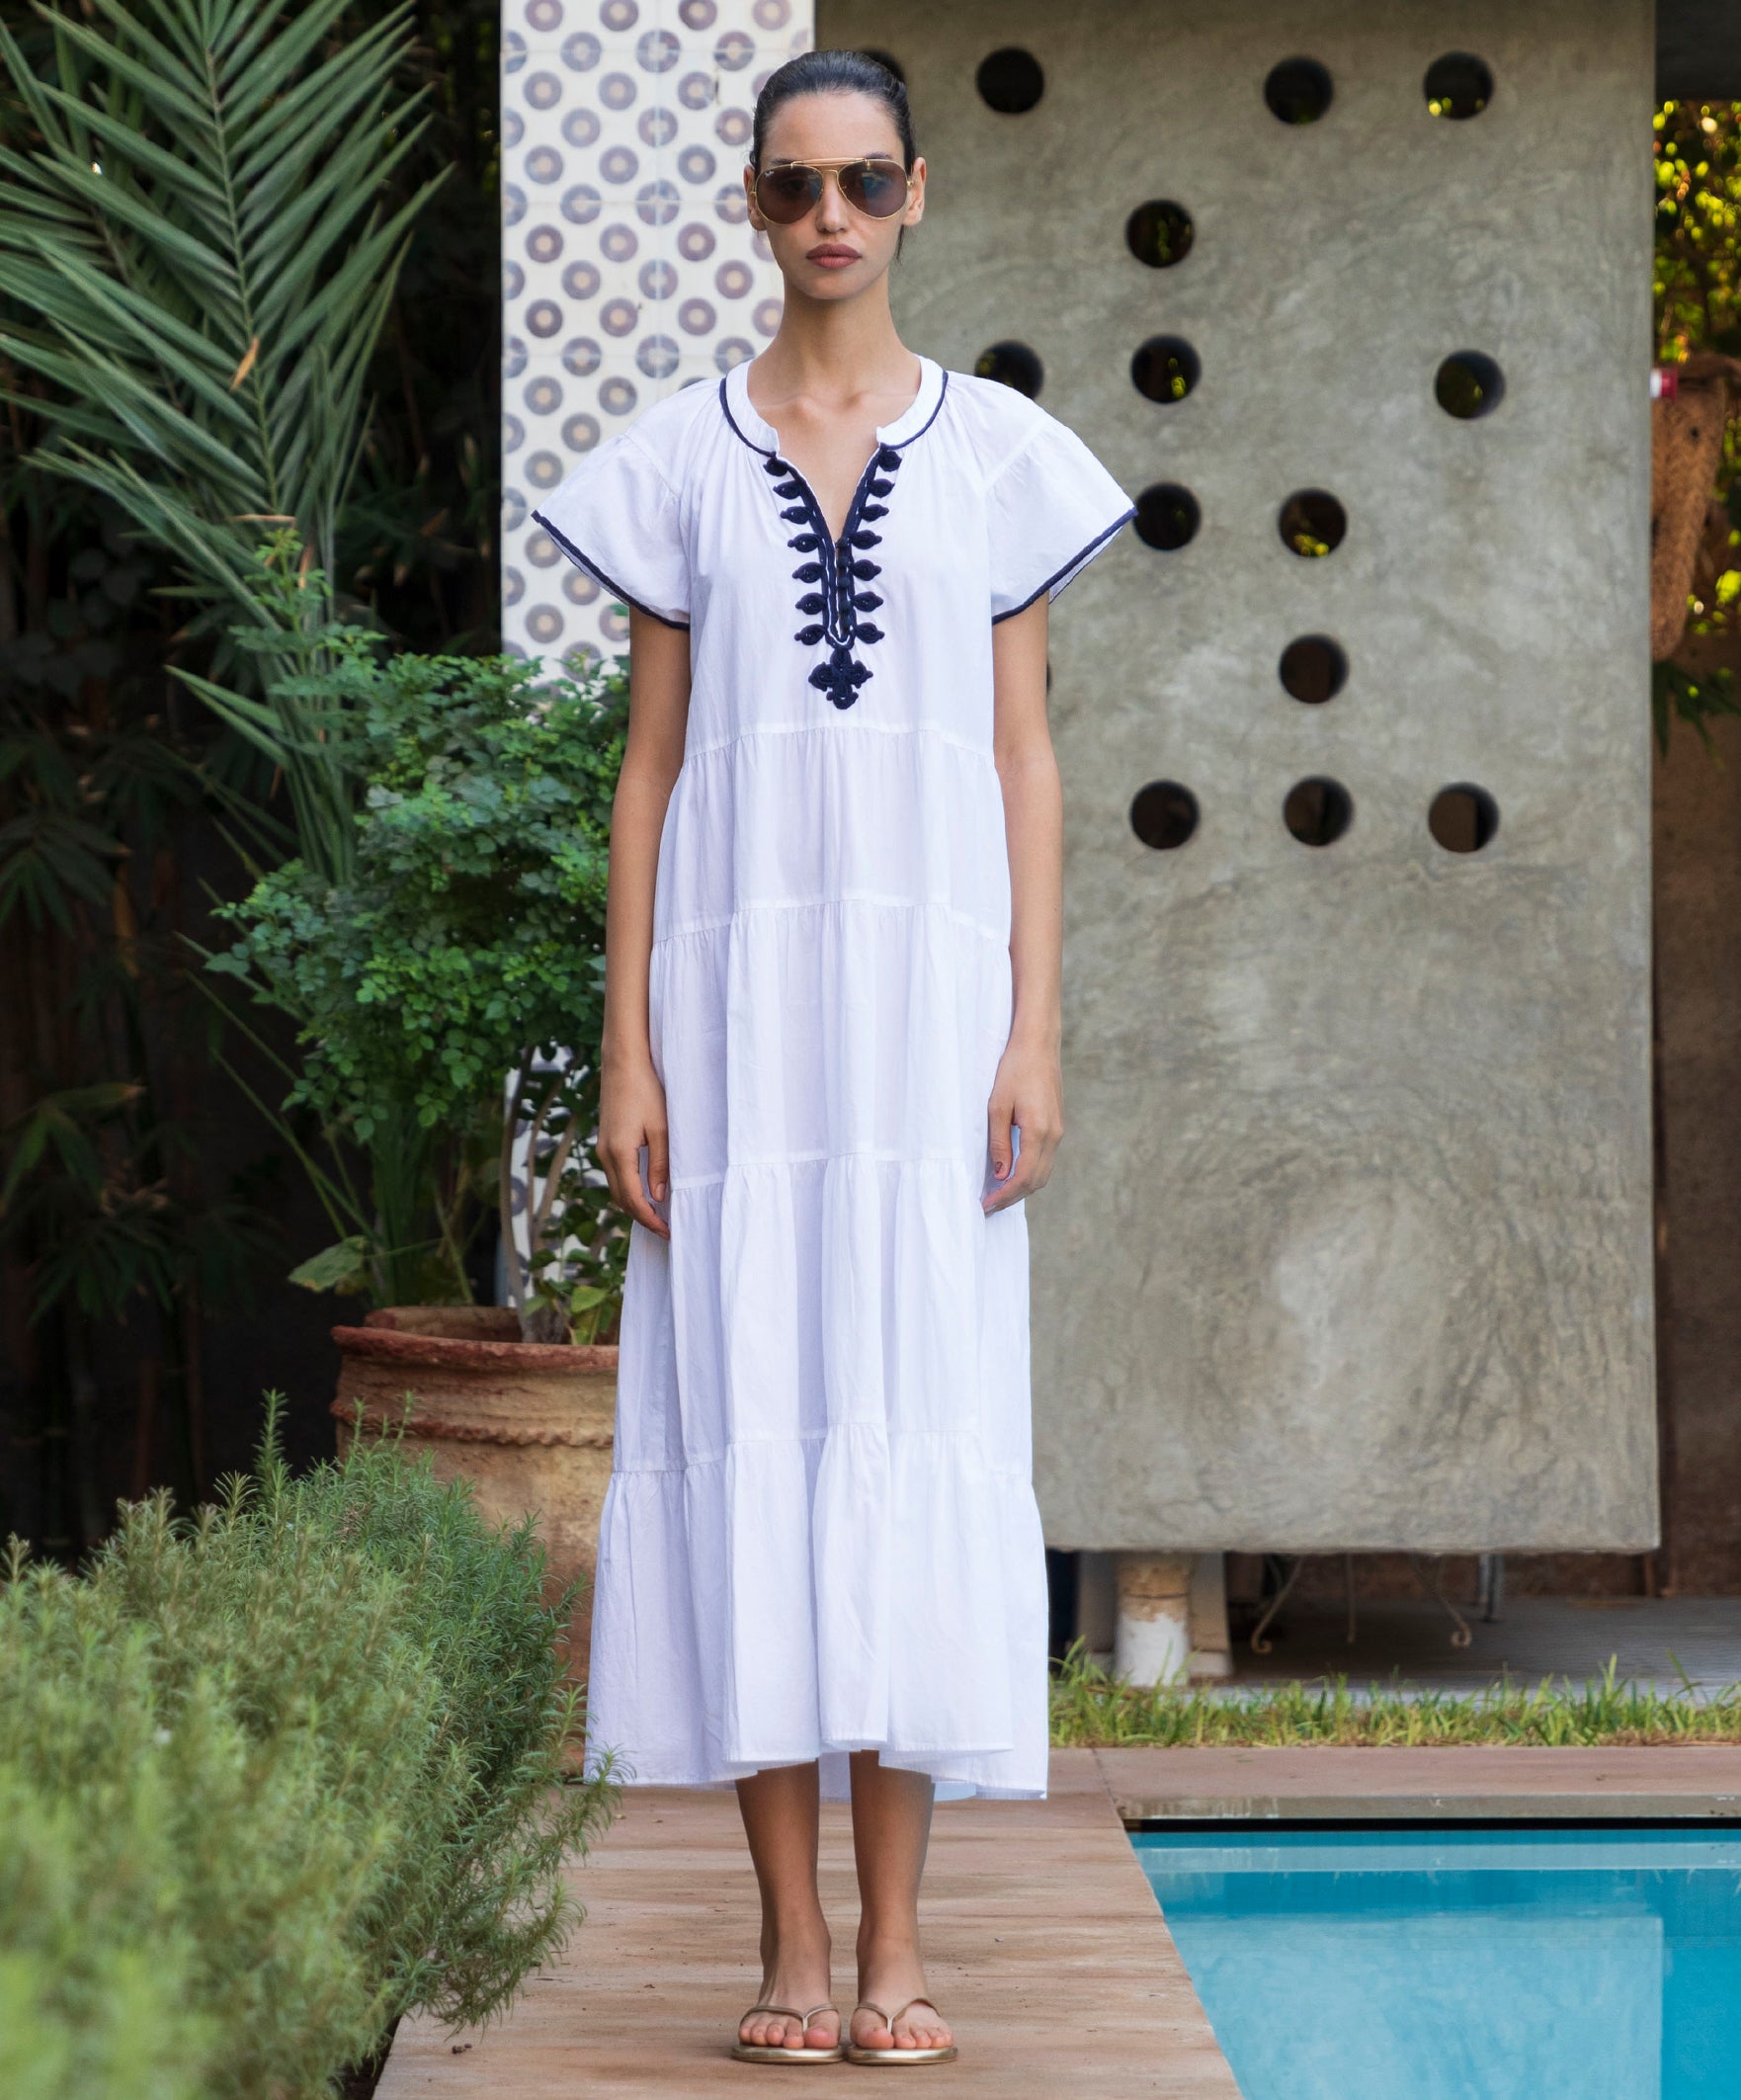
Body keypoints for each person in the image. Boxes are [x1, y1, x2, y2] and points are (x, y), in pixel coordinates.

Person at [533, 46, 1133, 2068]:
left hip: (926, 1036)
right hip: (731, 1027)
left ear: (917, 191)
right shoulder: (678, 460)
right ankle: (784, 1948)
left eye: (863, 181)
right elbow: (646, 771)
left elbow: (1027, 760)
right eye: (794, 187)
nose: (830, 221)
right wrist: (624, 1048)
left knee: (904, 1427)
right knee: (749, 1439)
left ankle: (897, 1948)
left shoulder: (996, 458)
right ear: (750, 203)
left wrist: (1032, 1021)